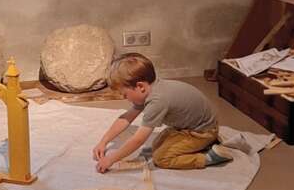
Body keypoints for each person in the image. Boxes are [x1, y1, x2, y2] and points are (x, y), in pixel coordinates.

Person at [92, 52, 232, 173]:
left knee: (161, 158)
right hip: (188, 126)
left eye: (125, 94)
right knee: (156, 145)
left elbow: (139, 139)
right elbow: (125, 118)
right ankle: (203, 144)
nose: (125, 99)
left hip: (202, 132)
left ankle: (209, 157)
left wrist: (111, 159)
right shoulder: (152, 89)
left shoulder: (157, 101)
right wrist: (103, 142)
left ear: (140, 86)